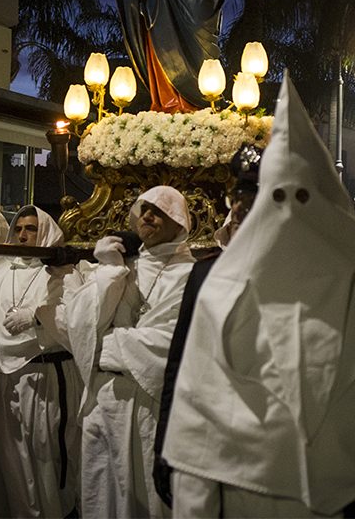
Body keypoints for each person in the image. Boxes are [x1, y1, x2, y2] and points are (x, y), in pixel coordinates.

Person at [164, 78, 355, 518]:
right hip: (256, 497)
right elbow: (199, 417)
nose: (292, 215)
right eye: (278, 198)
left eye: (305, 198)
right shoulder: (225, 291)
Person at [65, 185, 196, 518]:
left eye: (158, 211)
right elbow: (79, 325)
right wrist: (109, 272)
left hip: (148, 402)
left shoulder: (189, 275)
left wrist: (109, 344)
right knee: (101, 494)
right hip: (103, 397)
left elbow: (177, 343)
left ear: (178, 221)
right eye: (145, 209)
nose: (147, 216)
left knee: (145, 496)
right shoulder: (123, 268)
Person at [153, 144, 263, 508]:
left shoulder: (304, 275)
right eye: (239, 199)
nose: (243, 209)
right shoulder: (206, 272)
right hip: (204, 443)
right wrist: (164, 446)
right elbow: (180, 364)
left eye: (254, 199)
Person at [0, 206, 82, 518]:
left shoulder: (62, 272)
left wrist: (38, 318)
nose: (23, 235)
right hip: (6, 379)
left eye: (32, 229)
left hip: (47, 376)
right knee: (12, 459)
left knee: (46, 454)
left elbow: (77, 321)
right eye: (19, 229)